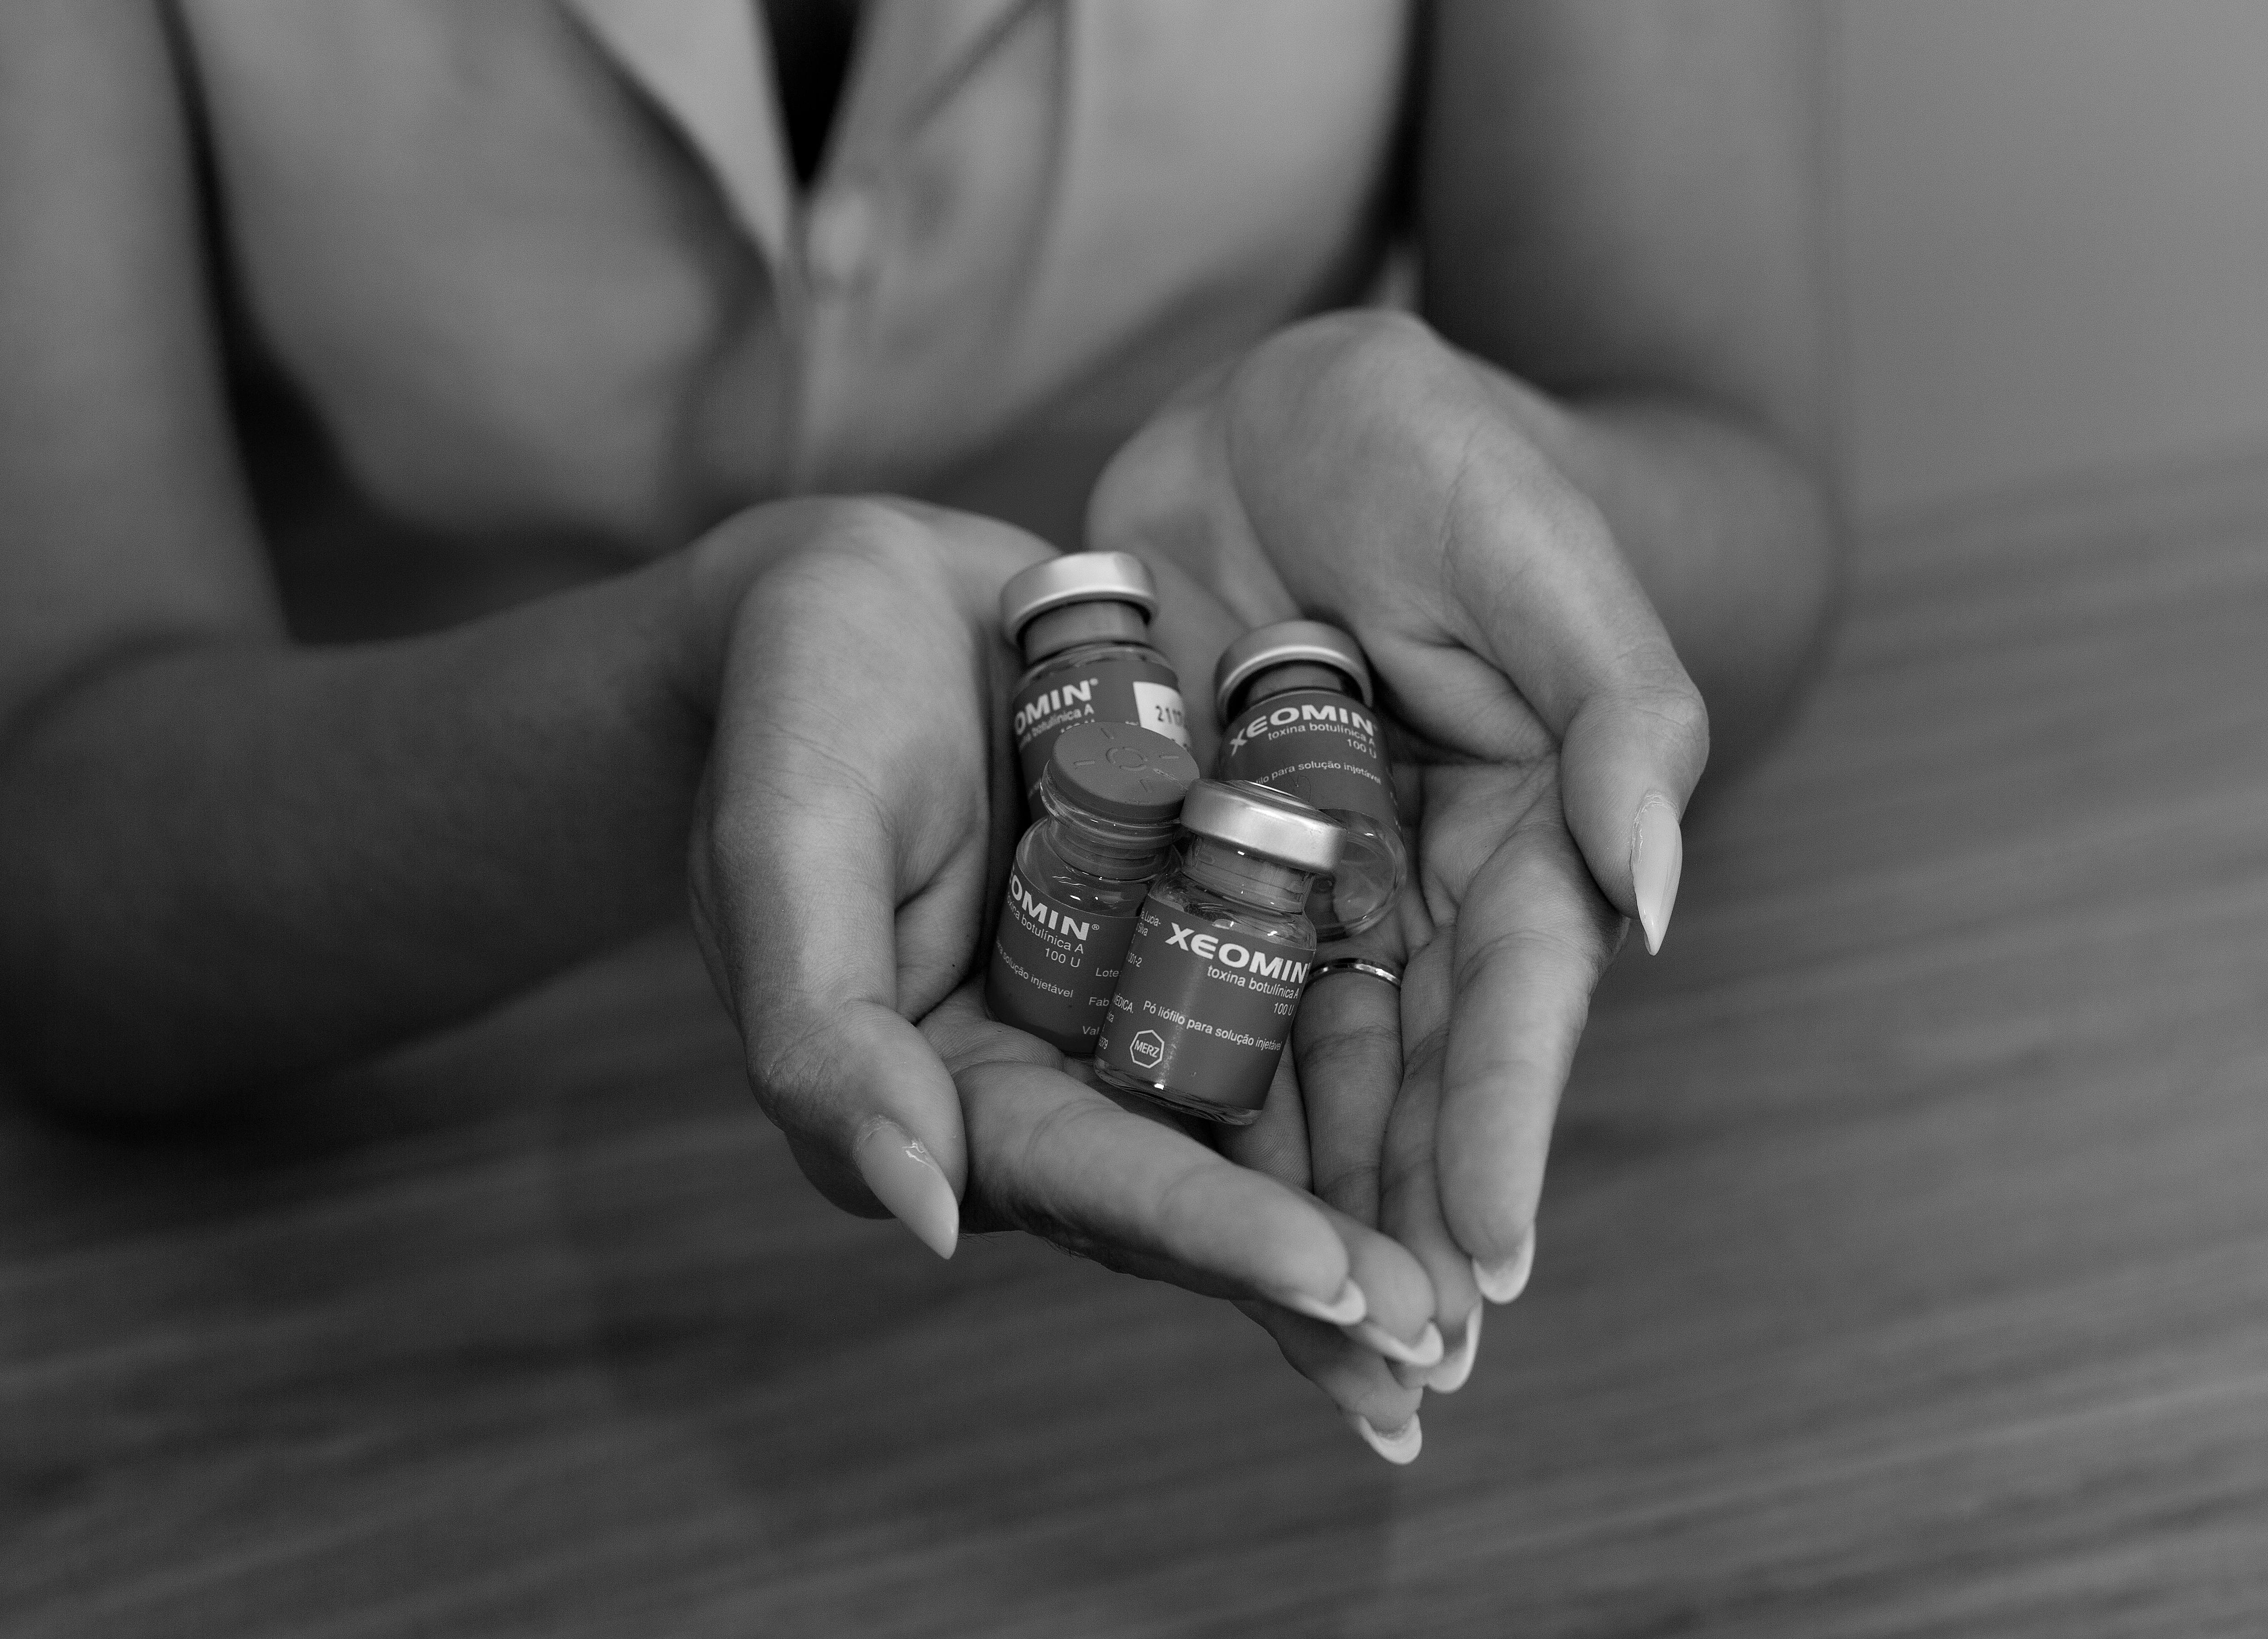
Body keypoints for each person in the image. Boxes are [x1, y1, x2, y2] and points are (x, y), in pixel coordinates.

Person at [0, 0, 1839, 1463]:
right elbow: (60, 843)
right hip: (403, 1147)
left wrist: (1504, 519)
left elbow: (1731, 476)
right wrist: (690, 684)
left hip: (1161, 1371)